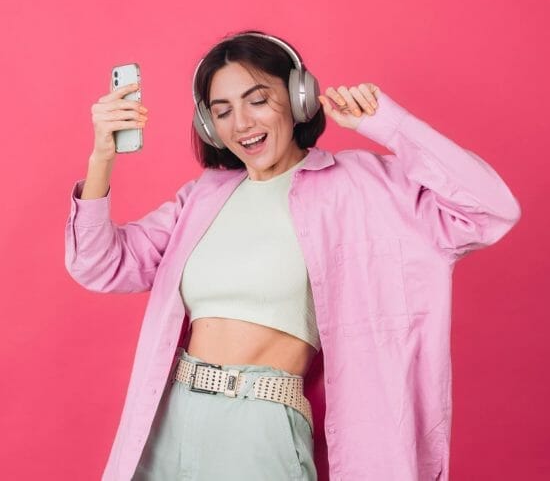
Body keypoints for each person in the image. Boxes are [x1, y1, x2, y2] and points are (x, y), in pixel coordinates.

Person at [65, 30, 521, 481]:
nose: (241, 123)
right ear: (209, 126)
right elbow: (100, 264)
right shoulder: (203, 197)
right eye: (222, 112)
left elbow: (489, 209)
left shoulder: (363, 187)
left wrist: (387, 124)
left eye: (257, 100)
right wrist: (102, 157)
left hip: (261, 428)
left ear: (300, 96)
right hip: (167, 416)